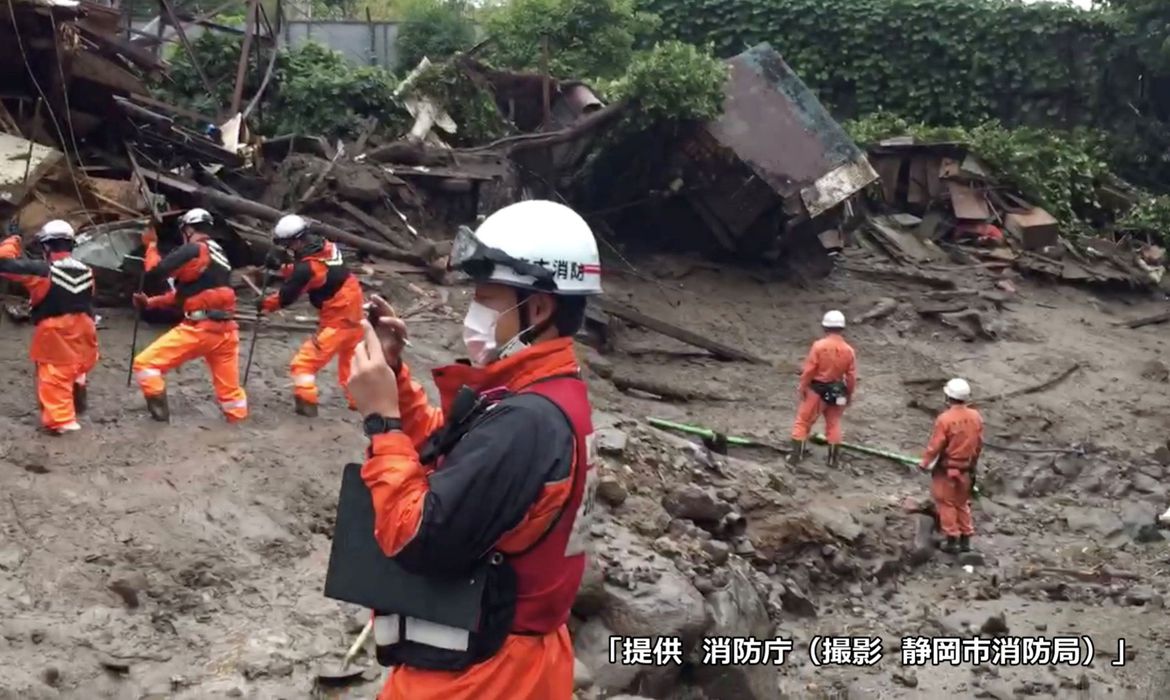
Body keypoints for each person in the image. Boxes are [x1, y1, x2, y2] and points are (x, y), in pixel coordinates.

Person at [343, 199, 603, 700]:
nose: (473, 313)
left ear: (540, 308)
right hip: (510, 659)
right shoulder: (543, 397)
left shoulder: (527, 424)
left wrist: (382, 423)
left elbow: (415, 537)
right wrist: (395, 382)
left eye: (486, 297)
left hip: (482, 678)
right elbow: (458, 453)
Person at [131, 208, 247, 423]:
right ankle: (238, 422)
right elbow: (186, 294)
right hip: (227, 332)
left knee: (145, 365)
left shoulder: (193, 249)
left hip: (199, 329)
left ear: (189, 229)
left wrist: (151, 246)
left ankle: (160, 419)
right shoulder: (218, 254)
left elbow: (155, 272)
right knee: (231, 395)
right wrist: (151, 303)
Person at [257, 214, 365, 416]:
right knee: (350, 363)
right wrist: (283, 269)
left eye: (287, 245)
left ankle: (307, 404)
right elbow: (313, 271)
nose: (286, 249)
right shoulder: (326, 246)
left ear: (295, 241)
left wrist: (263, 304)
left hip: (337, 320)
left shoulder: (307, 268)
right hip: (355, 313)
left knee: (303, 364)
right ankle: (360, 402)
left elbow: (286, 297)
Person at [0, 220, 98, 434]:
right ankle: (77, 388)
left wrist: (13, 240)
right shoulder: (87, 271)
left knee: (53, 375)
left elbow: (4, 263)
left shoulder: (42, 271)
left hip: (55, 330)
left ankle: (63, 424)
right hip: (85, 327)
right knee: (75, 365)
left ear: (46, 247)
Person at [919, 378, 983, 554]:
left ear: (948, 396)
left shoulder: (945, 419)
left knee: (946, 503)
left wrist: (925, 462)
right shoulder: (975, 417)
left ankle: (951, 539)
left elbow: (936, 444)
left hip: (947, 469)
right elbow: (978, 444)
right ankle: (966, 539)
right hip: (966, 469)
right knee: (962, 503)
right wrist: (973, 464)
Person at [788, 309, 857, 467]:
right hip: (838, 391)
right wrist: (849, 395)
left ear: (825, 327)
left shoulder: (819, 346)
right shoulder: (849, 350)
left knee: (803, 422)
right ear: (842, 328)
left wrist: (803, 387)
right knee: (834, 423)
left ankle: (795, 458)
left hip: (817, 390)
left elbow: (810, 370)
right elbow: (851, 377)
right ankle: (833, 461)